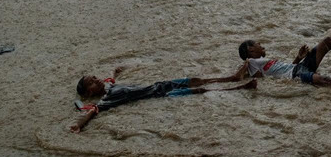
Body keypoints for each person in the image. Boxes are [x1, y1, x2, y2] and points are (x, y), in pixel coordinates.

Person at [71, 66, 254, 132]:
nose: (97, 80)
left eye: (95, 77)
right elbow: (91, 112)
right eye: (91, 82)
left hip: (160, 85)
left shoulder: (109, 86)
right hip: (160, 95)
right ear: (88, 94)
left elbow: (110, 79)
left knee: (194, 80)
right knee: (200, 90)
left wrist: (115, 72)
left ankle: (232, 78)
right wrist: (78, 125)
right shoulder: (106, 99)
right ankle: (238, 87)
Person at [230, 36, 331, 102]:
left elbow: (282, 70)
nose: (260, 44)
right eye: (257, 44)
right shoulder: (252, 62)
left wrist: (298, 57)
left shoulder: (261, 62)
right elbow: (239, 76)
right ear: (251, 50)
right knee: (325, 80)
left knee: (328, 41)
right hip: (297, 74)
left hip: (298, 67)